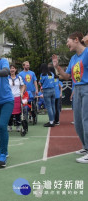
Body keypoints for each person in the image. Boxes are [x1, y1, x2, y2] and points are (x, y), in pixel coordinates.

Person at [52, 31, 88, 163]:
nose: (67, 44)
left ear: (76, 40)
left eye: (69, 41)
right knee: (78, 121)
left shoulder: (87, 53)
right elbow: (67, 76)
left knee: (86, 120)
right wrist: (57, 67)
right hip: (77, 89)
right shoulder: (73, 59)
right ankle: (85, 147)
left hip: (86, 88)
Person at [8, 64, 25, 132]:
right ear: (9, 70)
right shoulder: (7, 78)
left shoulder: (19, 78)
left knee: (18, 112)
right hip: (9, 97)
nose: (12, 70)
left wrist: (22, 92)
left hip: (17, 97)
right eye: (11, 68)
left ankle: (18, 126)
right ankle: (9, 126)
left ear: (15, 70)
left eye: (13, 68)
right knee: (9, 113)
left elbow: (23, 86)